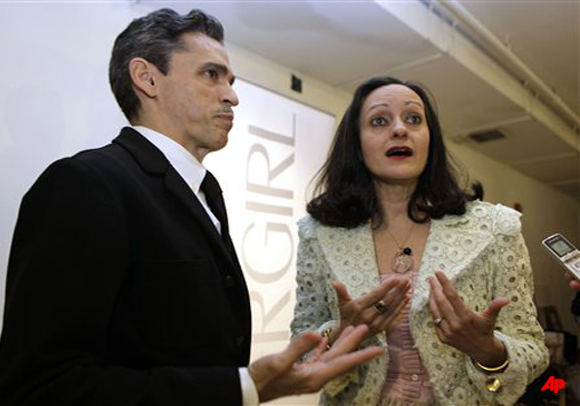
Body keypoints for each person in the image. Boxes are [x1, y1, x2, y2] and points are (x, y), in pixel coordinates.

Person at [0, 9, 384, 406]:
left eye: (230, 81)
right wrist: (243, 387)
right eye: (211, 75)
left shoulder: (207, 194)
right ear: (147, 78)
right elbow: (41, 387)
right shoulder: (84, 184)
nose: (232, 95)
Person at [290, 76, 549, 405]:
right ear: (356, 144)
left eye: (413, 119)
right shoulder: (319, 233)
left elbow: (533, 351)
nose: (400, 129)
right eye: (379, 121)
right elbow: (301, 354)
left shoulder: (495, 228)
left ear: (431, 140)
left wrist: (487, 350)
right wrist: (343, 335)